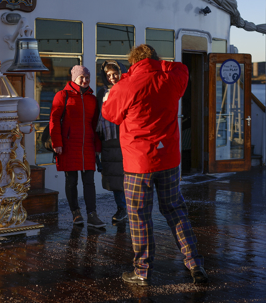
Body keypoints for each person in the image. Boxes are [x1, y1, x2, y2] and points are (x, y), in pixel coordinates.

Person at [102, 44, 208, 285]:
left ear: (132, 63)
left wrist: (128, 76)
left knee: (139, 217)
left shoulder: (126, 85)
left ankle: (142, 271)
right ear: (156, 59)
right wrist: (158, 65)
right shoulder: (171, 77)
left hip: (138, 164)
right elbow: (181, 67)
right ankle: (195, 264)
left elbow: (109, 114)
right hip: (168, 160)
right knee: (176, 211)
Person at [50, 65, 106, 228]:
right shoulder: (62, 95)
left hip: (87, 145)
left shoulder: (92, 99)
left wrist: (97, 147)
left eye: (87, 77)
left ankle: (92, 215)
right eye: (81, 77)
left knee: (89, 181)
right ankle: (76, 213)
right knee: (71, 180)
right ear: (73, 78)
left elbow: (95, 125)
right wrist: (57, 143)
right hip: (68, 145)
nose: (85, 80)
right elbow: (54, 120)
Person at [96, 61, 127, 222]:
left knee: (128, 177)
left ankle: (132, 208)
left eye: (115, 73)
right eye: (108, 75)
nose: (112, 77)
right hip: (108, 140)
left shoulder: (128, 89)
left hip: (126, 139)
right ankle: (121, 208)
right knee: (115, 179)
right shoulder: (102, 93)